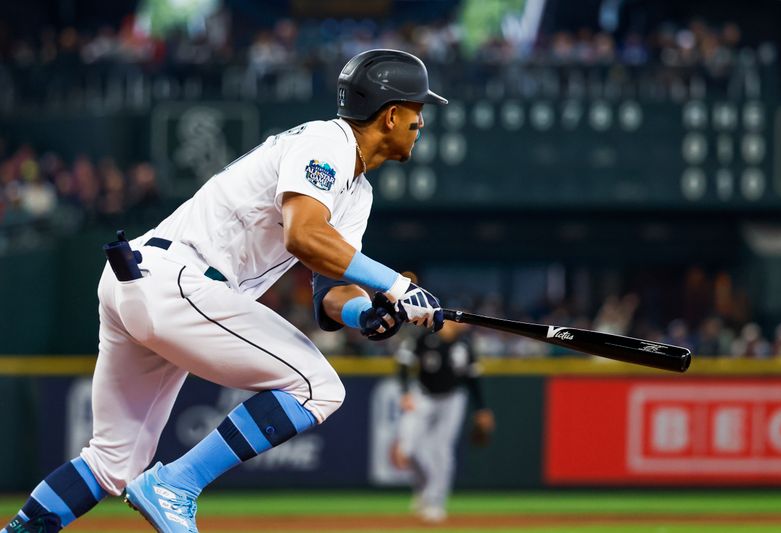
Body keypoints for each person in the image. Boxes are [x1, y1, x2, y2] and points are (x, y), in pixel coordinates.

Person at [2, 49, 448, 533]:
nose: (420, 122)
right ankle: (177, 484)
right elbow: (304, 236)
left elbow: (329, 288)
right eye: (417, 110)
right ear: (391, 114)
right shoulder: (328, 143)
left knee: (111, 463)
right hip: (181, 281)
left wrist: (367, 314)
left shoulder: (356, 192)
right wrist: (399, 284)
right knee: (318, 388)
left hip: (145, 281)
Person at [391, 320, 495, 523]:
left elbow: (473, 379)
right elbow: (403, 363)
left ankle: (435, 502)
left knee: (442, 450)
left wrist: (481, 408)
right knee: (408, 449)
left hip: (452, 399)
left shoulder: (464, 345)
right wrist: (405, 392)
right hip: (423, 395)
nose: (451, 325)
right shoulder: (423, 339)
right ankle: (423, 490)